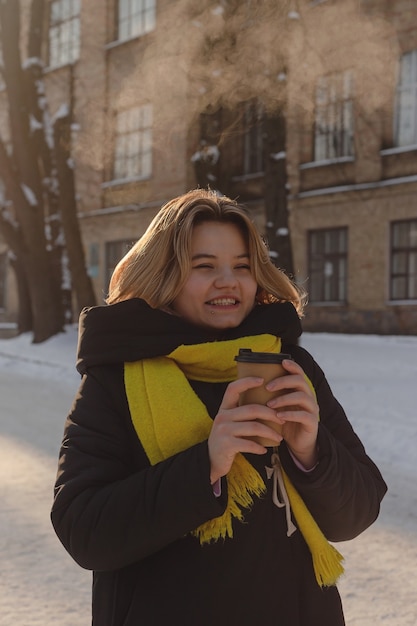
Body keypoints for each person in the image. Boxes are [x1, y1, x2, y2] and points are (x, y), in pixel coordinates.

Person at [51, 188, 387, 626]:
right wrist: (205, 464)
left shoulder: (288, 365)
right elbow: (84, 530)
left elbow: (358, 513)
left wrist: (312, 453)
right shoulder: (117, 379)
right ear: (165, 277)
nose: (227, 281)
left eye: (242, 267)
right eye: (204, 266)